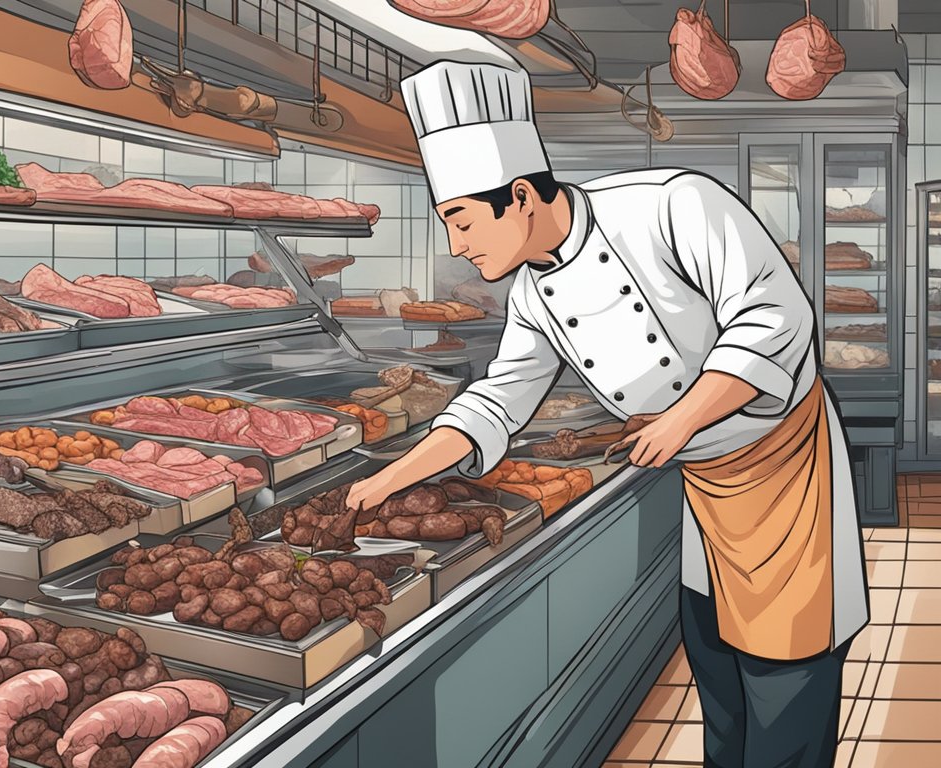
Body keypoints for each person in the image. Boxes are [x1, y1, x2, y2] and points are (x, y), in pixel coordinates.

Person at [346, 60, 868, 767]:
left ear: (521, 195)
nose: (458, 245)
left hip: (783, 460)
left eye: (462, 221)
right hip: (704, 478)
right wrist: (389, 480)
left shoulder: (674, 204)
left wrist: (681, 418)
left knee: (784, 674)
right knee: (716, 663)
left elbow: (774, 316)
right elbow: (503, 396)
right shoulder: (533, 293)